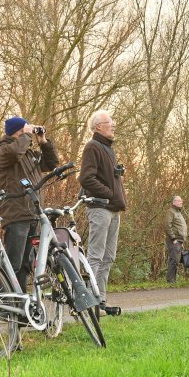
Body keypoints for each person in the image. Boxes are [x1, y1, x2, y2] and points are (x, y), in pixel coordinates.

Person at [0, 116, 59, 292]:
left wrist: (43, 142)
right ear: (19, 130)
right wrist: (27, 135)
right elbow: (15, 153)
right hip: (16, 214)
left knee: (25, 264)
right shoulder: (4, 150)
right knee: (13, 263)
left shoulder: (29, 153)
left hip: (33, 214)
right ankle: (6, 301)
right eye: (26, 128)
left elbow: (51, 163)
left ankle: (20, 304)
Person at [78, 110, 127, 314]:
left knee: (109, 257)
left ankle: (101, 299)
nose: (113, 124)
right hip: (100, 209)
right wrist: (108, 193)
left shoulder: (108, 148)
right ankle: (90, 299)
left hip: (114, 210)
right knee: (96, 256)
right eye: (109, 122)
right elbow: (86, 178)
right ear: (98, 126)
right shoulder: (92, 147)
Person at [164, 196, 188, 284]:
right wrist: (173, 238)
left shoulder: (178, 212)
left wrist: (182, 241)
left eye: (181, 200)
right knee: (174, 259)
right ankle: (171, 281)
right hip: (174, 240)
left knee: (177, 260)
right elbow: (167, 226)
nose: (181, 202)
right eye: (179, 201)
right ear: (174, 202)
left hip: (179, 240)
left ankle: (172, 280)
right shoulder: (170, 212)